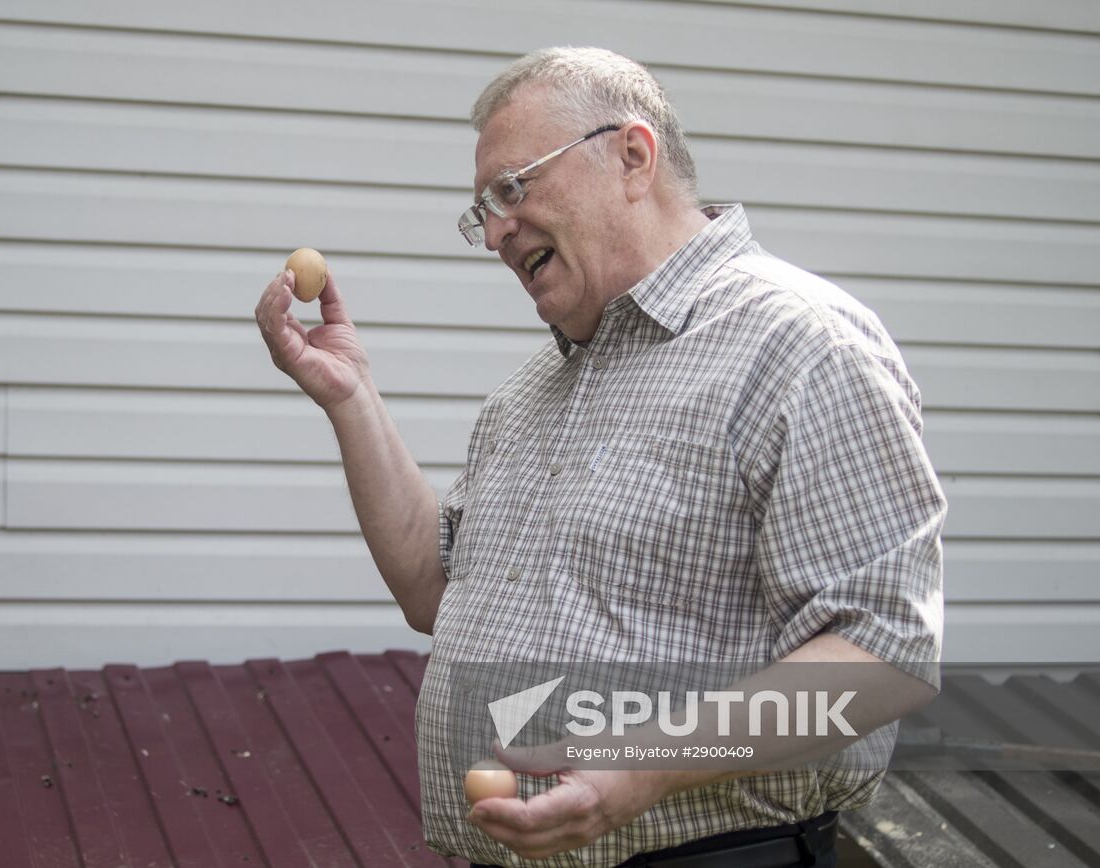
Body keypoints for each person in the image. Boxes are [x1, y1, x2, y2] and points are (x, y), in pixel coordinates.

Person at [255, 46, 945, 868]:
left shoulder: (801, 344)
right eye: (484, 211)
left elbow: (883, 656)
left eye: (513, 188)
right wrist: (351, 397)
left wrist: (642, 768)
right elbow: (434, 592)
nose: (495, 233)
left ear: (632, 157)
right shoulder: (531, 393)